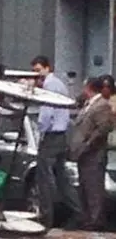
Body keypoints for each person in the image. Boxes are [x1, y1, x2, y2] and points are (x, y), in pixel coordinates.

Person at [30, 55, 84, 229]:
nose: (37, 75)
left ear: (47, 68)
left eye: (38, 70)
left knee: (43, 176)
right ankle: (78, 212)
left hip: (52, 135)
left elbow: (47, 113)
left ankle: (46, 217)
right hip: (61, 135)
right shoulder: (60, 84)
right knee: (61, 177)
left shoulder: (49, 85)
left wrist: (41, 130)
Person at [69, 77, 114, 231]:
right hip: (84, 154)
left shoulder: (102, 105)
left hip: (94, 154)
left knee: (94, 187)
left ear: (89, 87)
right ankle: (87, 217)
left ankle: (96, 220)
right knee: (85, 186)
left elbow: (103, 128)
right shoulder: (88, 105)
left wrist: (88, 144)